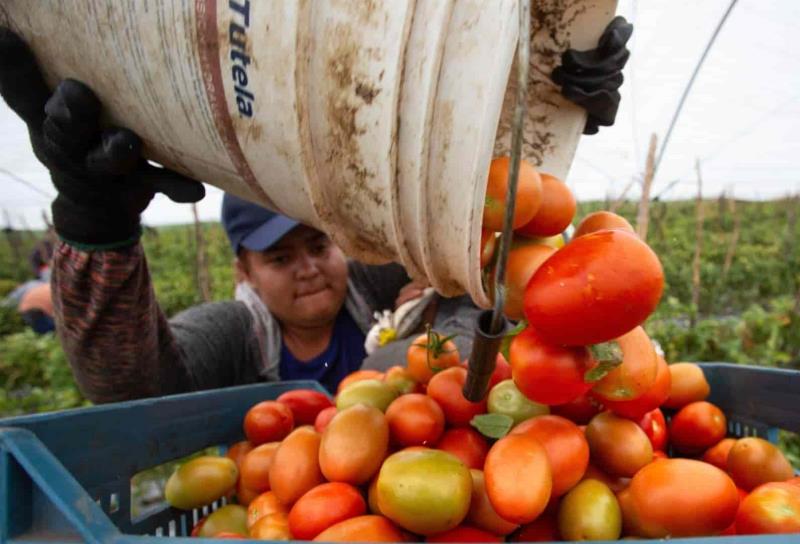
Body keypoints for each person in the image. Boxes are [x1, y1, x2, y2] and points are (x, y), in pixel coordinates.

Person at [0, 19, 633, 403]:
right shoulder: (235, 336)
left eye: (317, 245)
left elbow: (485, 265)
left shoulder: (373, 282)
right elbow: (129, 386)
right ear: (244, 271)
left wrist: (540, 128)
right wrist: (96, 228)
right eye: (279, 257)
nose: (308, 268)